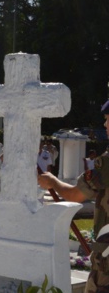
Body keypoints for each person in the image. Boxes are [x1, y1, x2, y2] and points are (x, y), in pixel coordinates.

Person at [38, 100, 109, 292]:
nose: (105, 124)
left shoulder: (106, 163)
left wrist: (52, 182)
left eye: (107, 119)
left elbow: (74, 195)